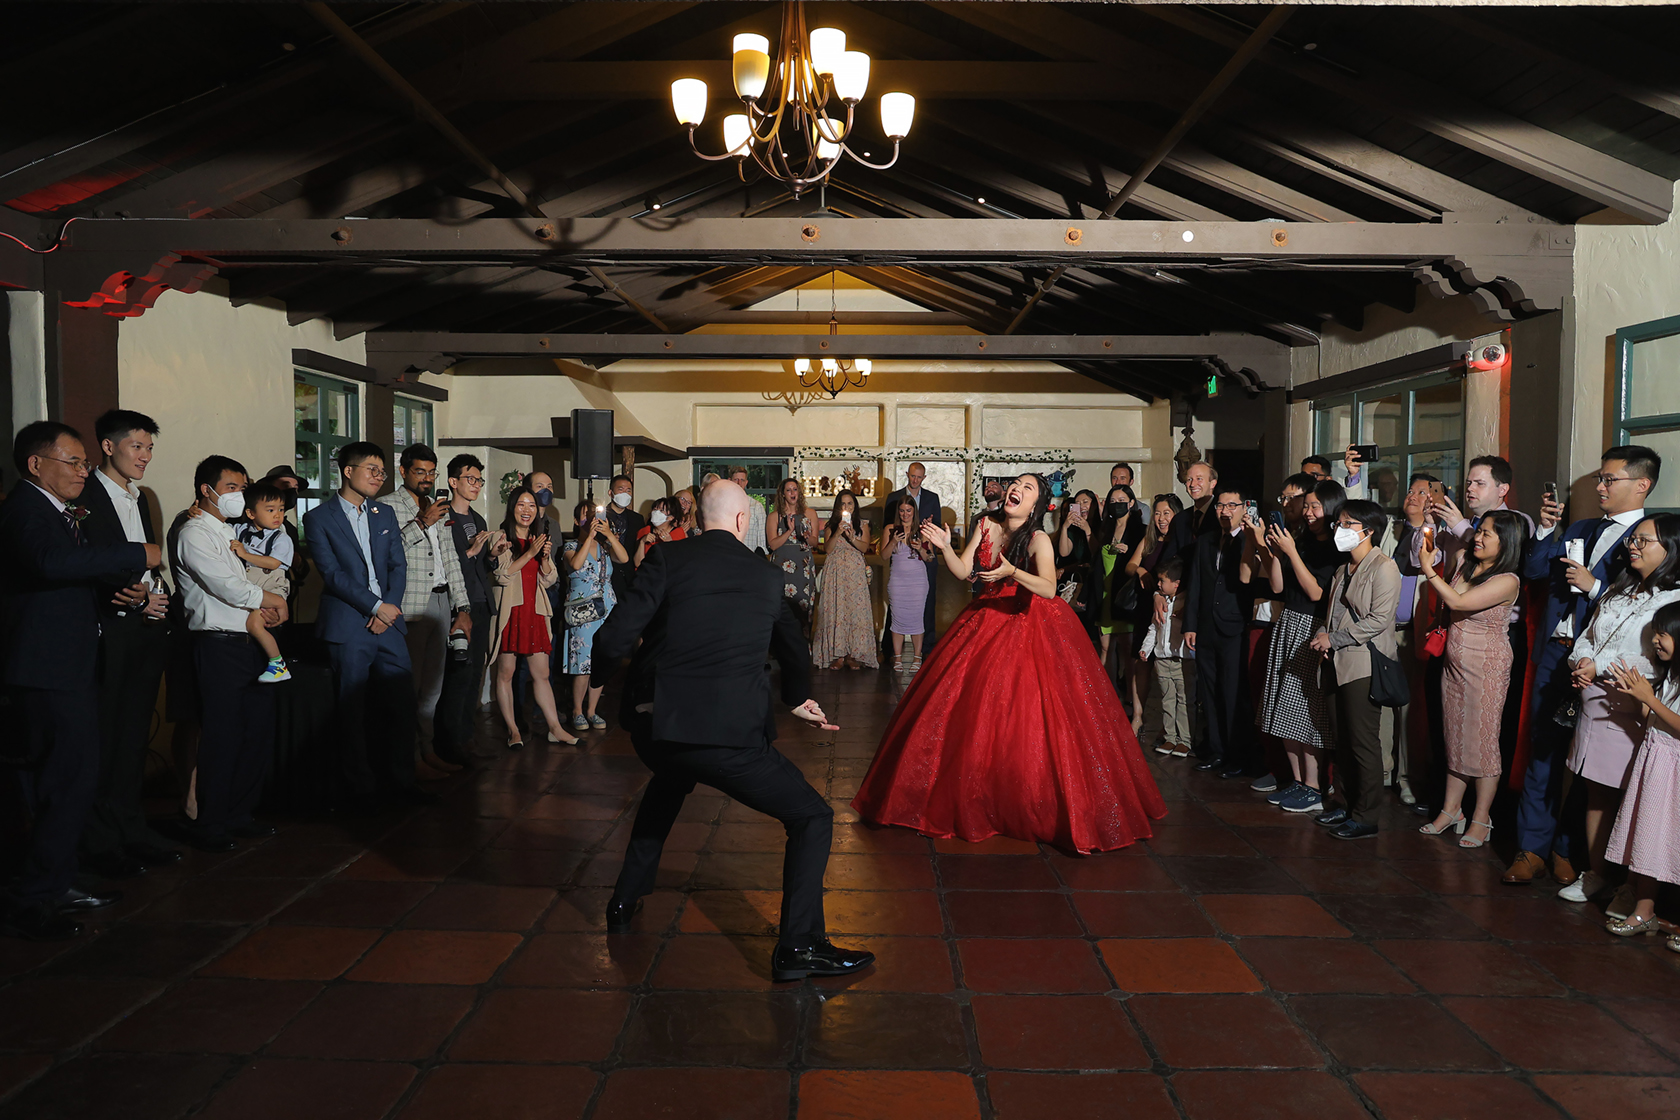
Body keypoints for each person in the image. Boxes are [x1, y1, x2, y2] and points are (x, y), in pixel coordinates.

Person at [592, 481, 870, 982]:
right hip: (726, 738)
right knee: (813, 818)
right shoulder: (765, 577)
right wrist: (797, 699)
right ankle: (798, 949)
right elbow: (794, 651)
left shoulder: (666, 558)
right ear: (744, 522)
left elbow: (613, 636)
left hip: (658, 729)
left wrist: (598, 683)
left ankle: (624, 898)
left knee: (670, 778)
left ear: (699, 517)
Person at [853, 473, 1167, 851]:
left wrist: (1013, 572)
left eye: (1028, 487)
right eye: (1016, 484)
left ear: (1037, 504)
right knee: (966, 708)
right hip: (985, 617)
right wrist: (944, 547)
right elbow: (965, 570)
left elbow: (1049, 588)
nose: (1018, 489)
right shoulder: (986, 524)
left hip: (1028, 621)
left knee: (1026, 712)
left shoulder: (1038, 540)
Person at [0, 422, 160, 940]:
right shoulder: (25, 509)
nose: (81, 471)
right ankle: (35, 897)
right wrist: (137, 554)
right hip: (45, 671)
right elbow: (49, 564)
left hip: (67, 664)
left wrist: (117, 593)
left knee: (68, 781)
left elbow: (64, 577)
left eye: (82, 462)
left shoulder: (57, 511)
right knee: (63, 781)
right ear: (35, 465)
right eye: (71, 462)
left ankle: (56, 879)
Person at [1505, 445, 1658, 887]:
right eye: (1600, 479)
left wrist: (1595, 588)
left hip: (1606, 665)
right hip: (1557, 654)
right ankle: (1530, 848)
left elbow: (1646, 601)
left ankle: (1567, 850)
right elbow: (1535, 570)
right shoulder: (1583, 526)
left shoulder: (1652, 537)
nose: (1600, 487)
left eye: (1610, 479)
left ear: (1641, 484)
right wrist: (1549, 529)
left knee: (1589, 764)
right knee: (1545, 749)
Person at [1557, 513, 1680, 909]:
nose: (1633, 546)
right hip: (1594, 704)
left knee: (1640, 800)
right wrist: (1582, 661)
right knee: (1596, 794)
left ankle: (1635, 887)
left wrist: (1602, 667)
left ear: (1671, 550)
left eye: (1644, 541)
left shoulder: (1673, 599)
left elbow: (1657, 661)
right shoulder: (1618, 590)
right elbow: (1590, 635)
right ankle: (1597, 874)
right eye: (1633, 540)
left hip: (1634, 711)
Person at [301, 442, 432, 811]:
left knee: (401, 704)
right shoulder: (319, 518)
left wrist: (387, 608)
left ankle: (402, 782)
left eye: (382, 472)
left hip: (389, 622)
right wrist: (375, 605)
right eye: (371, 470)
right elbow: (331, 573)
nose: (379, 477)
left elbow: (398, 565)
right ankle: (361, 789)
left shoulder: (384, 513)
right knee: (352, 710)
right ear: (347, 471)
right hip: (348, 623)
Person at [78, 409, 177, 880]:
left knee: (135, 735)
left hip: (144, 626)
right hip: (107, 630)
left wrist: (155, 597)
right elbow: (85, 561)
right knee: (106, 737)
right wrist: (128, 595)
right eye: (137, 446)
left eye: (150, 448)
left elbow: (147, 559)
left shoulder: (138, 500)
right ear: (109, 446)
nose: (145, 456)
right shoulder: (84, 494)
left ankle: (130, 827)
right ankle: (100, 840)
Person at [173, 455, 289, 852]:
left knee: (253, 733)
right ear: (206, 491)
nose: (240, 496)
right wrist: (273, 598)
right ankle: (211, 822)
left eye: (243, 487)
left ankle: (240, 813)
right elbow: (229, 588)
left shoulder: (228, 531)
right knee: (222, 737)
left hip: (249, 641)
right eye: (231, 489)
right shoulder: (194, 533)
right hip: (218, 643)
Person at [1417, 511, 1526, 849]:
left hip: (1488, 667)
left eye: (1488, 534)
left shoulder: (1508, 580)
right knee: (1454, 735)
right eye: (1479, 530)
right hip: (1454, 665)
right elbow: (1449, 606)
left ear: (1506, 542)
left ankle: (1482, 817)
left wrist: (1427, 570)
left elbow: (1458, 601)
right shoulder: (1464, 559)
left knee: (1483, 742)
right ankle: (1451, 811)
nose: (1478, 537)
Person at [1310, 499, 1402, 841]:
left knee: (1364, 741)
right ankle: (1343, 802)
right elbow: (1332, 613)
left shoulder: (1384, 567)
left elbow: (1378, 621)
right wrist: (1325, 636)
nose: (1339, 530)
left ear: (1368, 530)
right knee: (1343, 739)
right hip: (1336, 660)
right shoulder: (1342, 569)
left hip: (1364, 662)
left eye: (1347, 524)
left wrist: (1333, 638)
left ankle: (1366, 814)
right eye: (1339, 523)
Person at [1251, 476, 1344, 812]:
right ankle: (1296, 780)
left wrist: (1291, 551)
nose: (1307, 512)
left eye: (1314, 506)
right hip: (1288, 621)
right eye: (1306, 506)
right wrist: (1271, 550)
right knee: (1281, 707)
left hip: (1312, 626)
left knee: (1306, 711)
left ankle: (1314, 786)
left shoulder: (1335, 546)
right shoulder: (1300, 540)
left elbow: (1317, 593)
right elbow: (1277, 586)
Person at [389, 444, 473, 779]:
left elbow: (450, 557)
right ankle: (409, 758)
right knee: (409, 688)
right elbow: (389, 550)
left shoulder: (438, 506)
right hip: (410, 606)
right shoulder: (386, 507)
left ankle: (428, 750)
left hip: (442, 602)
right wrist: (421, 523)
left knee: (433, 690)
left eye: (431, 472)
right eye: (419, 471)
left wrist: (463, 606)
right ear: (404, 472)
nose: (426, 478)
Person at [1601, 604, 1680, 950]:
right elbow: (1654, 718)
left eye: (1664, 633)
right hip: (1656, 762)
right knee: (1648, 837)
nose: (1657, 640)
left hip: (1674, 769)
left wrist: (1649, 699)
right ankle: (1644, 910)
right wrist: (1637, 697)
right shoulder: (1668, 676)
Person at [488, 488, 579, 749]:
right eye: (521, 505)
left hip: (535, 610)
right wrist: (528, 554)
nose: (526, 510)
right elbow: (502, 576)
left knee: (541, 673)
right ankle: (513, 730)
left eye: (530, 505)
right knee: (506, 673)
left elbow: (550, 578)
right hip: (511, 610)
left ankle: (555, 728)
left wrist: (545, 557)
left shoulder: (539, 539)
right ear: (512, 508)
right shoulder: (501, 538)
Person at [1183, 486, 1259, 776]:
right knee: (1210, 692)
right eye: (1220, 506)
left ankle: (1236, 754)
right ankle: (1216, 750)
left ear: (1243, 508)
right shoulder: (1205, 541)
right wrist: (1190, 625)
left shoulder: (1250, 541)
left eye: (1231, 505)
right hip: (1205, 627)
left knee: (1232, 692)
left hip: (1235, 627)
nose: (1225, 511)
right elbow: (1197, 585)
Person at [434, 454, 494, 764]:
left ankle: (467, 738)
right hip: (460, 603)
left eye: (479, 481)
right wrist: (471, 551)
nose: (476, 486)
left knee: (475, 676)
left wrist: (492, 554)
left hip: (482, 601)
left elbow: (482, 565)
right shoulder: (444, 519)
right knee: (458, 674)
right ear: (453, 481)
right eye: (470, 479)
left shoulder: (478, 519)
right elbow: (447, 562)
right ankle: (449, 743)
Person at [560, 499, 628, 731]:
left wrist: (608, 534)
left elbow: (624, 559)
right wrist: (588, 536)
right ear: (576, 520)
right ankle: (577, 711)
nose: (590, 519)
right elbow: (576, 565)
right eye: (585, 515)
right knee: (582, 663)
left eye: (593, 514)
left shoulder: (605, 547)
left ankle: (592, 710)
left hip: (606, 608)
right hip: (582, 612)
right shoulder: (569, 547)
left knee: (600, 662)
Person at [1124, 493, 1184, 725]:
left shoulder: (1181, 542)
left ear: (1176, 515)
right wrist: (1141, 571)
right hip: (1144, 608)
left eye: (1166, 513)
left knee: (1168, 667)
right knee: (1142, 661)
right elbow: (1130, 565)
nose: (1161, 518)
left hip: (1170, 611)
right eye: (1157, 513)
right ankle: (1138, 716)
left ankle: (1169, 725)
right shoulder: (1150, 540)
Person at [229, 479, 296, 683]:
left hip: (272, 586)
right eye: (270, 509)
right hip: (253, 587)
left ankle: (277, 663)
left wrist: (244, 554)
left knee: (255, 624)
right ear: (251, 513)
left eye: (281, 509)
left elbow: (274, 563)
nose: (278, 515)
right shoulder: (240, 530)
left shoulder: (282, 538)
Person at [812, 489, 877, 670]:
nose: (846, 506)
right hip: (835, 572)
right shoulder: (831, 525)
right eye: (843, 504)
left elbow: (864, 548)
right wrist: (838, 532)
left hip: (855, 572)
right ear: (838, 507)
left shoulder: (862, 524)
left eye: (850, 503)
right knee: (836, 610)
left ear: (854, 506)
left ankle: (853, 654)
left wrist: (851, 538)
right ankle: (837, 654)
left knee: (854, 611)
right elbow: (828, 549)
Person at [1137, 557, 1193, 757]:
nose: (1158, 584)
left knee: (1184, 700)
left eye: (1162, 581)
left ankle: (1185, 740)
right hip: (1162, 659)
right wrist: (1146, 649)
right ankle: (1170, 737)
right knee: (1167, 700)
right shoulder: (1161, 602)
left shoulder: (1187, 602)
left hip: (1181, 659)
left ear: (1176, 584)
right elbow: (1154, 628)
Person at [1096, 485, 1147, 687]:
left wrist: (1130, 551)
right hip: (1104, 592)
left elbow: (1143, 559)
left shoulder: (1139, 530)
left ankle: (1129, 695)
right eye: (1113, 501)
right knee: (1105, 646)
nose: (1117, 505)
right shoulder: (1105, 529)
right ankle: (1107, 693)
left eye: (1122, 500)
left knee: (1127, 647)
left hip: (1124, 593)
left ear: (1131, 503)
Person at [885, 462, 942, 641]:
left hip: (924, 559)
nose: (915, 480)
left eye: (919, 477)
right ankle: (889, 650)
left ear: (924, 478)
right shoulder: (893, 497)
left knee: (928, 605)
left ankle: (927, 650)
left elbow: (938, 529)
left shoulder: (932, 498)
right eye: (912, 476)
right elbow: (888, 527)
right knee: (896, 606)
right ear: (907, 475)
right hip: (900, 564)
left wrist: (929, 527)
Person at [881, 495, 934, 672]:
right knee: (897, 617)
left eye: (908, 511)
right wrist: (894, 541)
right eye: (902, 511)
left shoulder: (922, 530)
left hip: (918, 581)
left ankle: (917, 658)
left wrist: (920, 548)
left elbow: (930, 557)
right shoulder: (890, 529)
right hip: (897, 580)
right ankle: (897, 658)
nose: (905, 514)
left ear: (914, 512)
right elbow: (884, 555)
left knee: (917, 618)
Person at [768, 478, 816, 621]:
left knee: (804, 606)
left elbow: (815, 542)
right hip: (783, 566)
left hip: (803, 565)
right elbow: (773, 545)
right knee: (784, 608)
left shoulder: (810, 514)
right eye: (788, 490)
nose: (792, 493)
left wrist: (807, 537)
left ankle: (804, 640)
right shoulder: (774, 516)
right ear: (783, 494)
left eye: (795, 489)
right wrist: (789, 531)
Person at [1056, 488, 1102, 634]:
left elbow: (1098, 554)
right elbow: (1064, 552)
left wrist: (1088, 530)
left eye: (1085, 502)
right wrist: (1065, 527)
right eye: (1077, 503)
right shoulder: (1074, 529)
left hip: (1097, 581)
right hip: (1080, 580)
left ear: (1094, 504)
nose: (1081, 506)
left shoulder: (1102, 524)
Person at [604, 474, 647, 591]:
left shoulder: (637, 519)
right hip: (606, 575)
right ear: (610, 492)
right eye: (620, 489)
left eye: (628, 490)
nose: (625, 494)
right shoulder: (600, 517)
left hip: (630, 576)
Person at [633, 497, 686, 568]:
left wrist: (670, 543)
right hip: (647, 575)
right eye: (655, 509)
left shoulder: (678, 532)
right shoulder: (644, 531)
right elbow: (638, 564)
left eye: (661, 510)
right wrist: (642, 542)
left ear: (671, 517)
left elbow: (680, 561)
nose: (656, 512)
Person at [726, 467, 767, 554]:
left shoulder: (756, 507)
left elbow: (762, 540)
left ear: (746, 482)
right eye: (736, 479)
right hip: (728, 554)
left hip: (749, 556)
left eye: (742, 480)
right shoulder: (723, 506)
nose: (739, 483)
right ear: (729, 481)